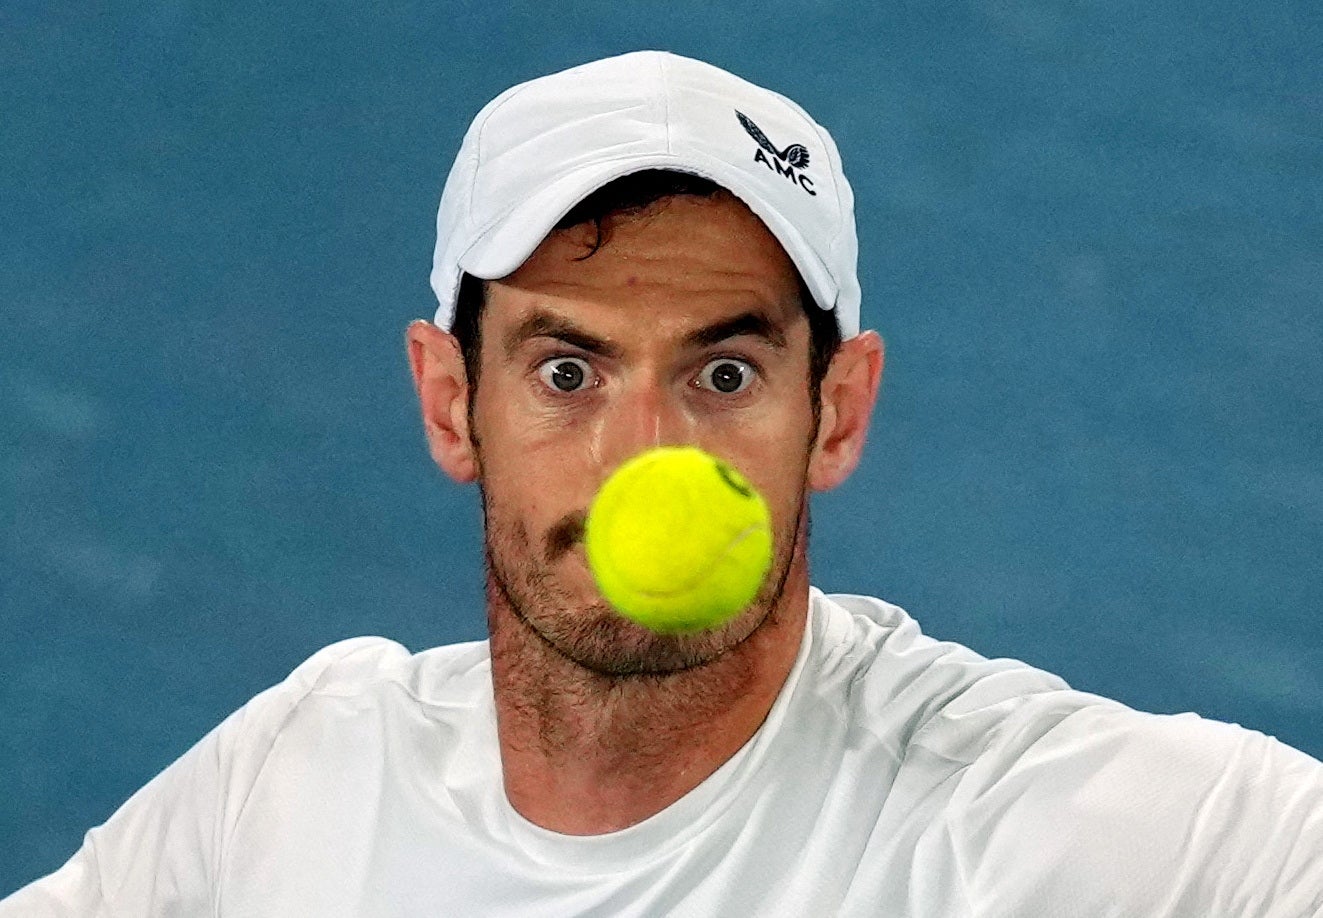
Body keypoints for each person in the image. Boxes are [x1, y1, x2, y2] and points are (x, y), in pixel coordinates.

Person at [4, 50, 1321, 918]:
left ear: (838, 411)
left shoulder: (1018, 825)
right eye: (568, 370)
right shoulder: (293, 790)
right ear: (451, 400)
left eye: (726, 375)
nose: (647, 451)